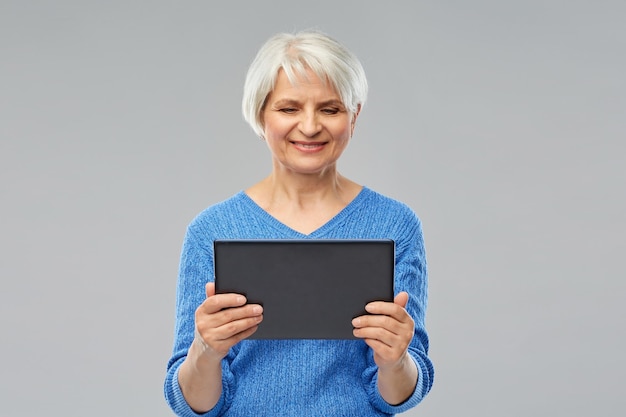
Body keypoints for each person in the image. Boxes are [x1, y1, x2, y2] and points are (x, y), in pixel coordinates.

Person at [164, 30, 434, 416]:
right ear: (260, 115)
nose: (309, 127)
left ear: (353, 116)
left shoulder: (395, 224)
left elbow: (398, 395)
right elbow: (193, 405)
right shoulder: (211, 229)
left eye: (330, 109)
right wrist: (205, 351)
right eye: (289, 109)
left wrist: (395, 360)